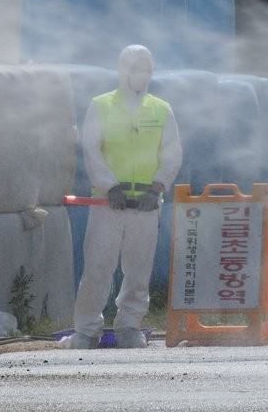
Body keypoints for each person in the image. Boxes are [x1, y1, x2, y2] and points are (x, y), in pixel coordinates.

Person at [66, 45, 182, 349]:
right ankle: (87, 329)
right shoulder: (101, 106)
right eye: (136, 67)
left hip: (145, 204)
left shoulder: (161, 109)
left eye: (147, 68)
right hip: (108, 203)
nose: (141, 74)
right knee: (98, 267)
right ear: (123, 70)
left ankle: (130, 326)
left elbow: (172, 154)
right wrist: (109, 187)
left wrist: (156, 187)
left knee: (138, 269)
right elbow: (91, 149)